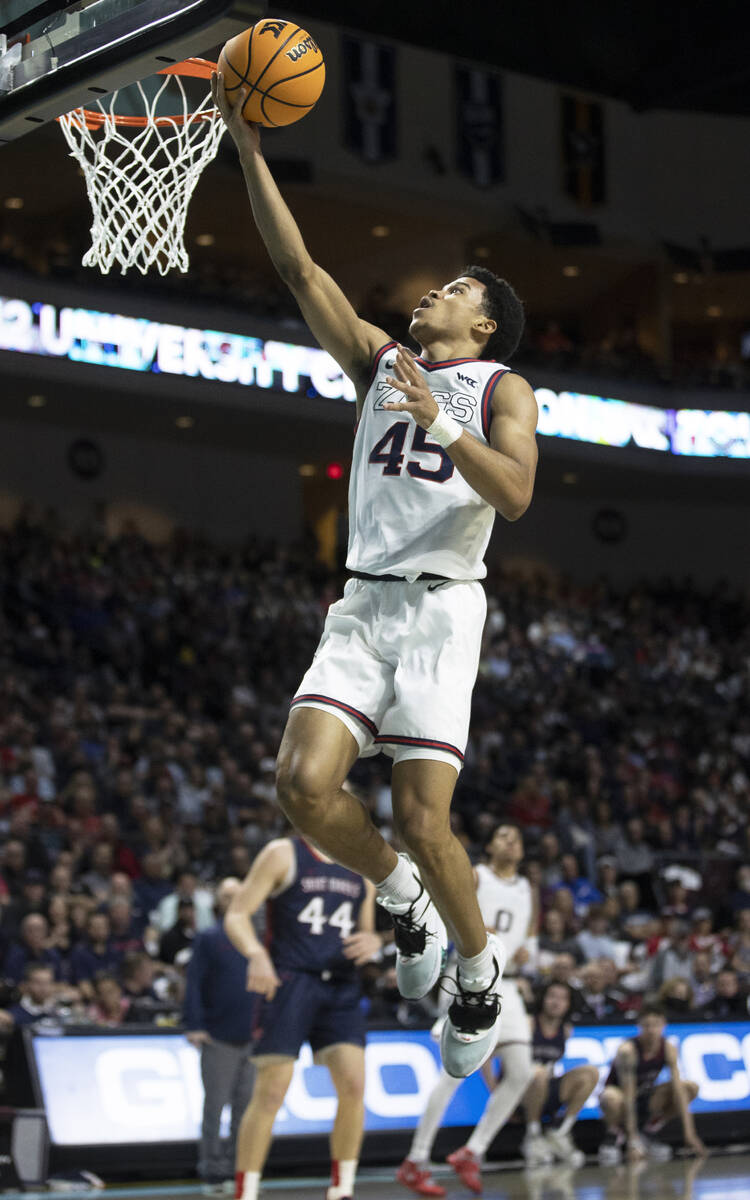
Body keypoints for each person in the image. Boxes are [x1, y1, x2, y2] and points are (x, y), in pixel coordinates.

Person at [212, 67, 538, 1082]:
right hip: (362, 605)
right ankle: (400, 900)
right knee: (300, 787)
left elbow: (517, 497)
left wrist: (444, 421)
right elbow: (304, 272)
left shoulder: (500, 386)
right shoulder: (381, 364)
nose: (434, 294)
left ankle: (477, 975)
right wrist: (251, 150)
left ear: (482, 326)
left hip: (443, 614)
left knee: (425, 815)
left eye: (456, 291)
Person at [224, 835, 381, 1200]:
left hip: (341, 984)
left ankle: (342, 1189)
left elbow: (365, 931)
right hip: (292, 979)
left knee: (355, 1085)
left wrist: (372, 940)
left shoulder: (361, 863)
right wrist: (255, 954)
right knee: (272, 1091)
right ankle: (245, 1192)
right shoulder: (283, 853)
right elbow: (236, 914)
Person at [396, 824, 537, 1197]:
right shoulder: (476, 875)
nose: (511, 842)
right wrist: (470, 927)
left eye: (516, 838)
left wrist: (527, 951)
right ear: (490, 844)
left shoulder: (526, 888)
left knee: (522, 1070)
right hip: (468, 977)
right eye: (504, 836)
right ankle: (417, 1158)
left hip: (506, 981)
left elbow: (530, 935)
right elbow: (443, 905)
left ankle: (472, 1152)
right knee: (453, 1073)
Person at [183, 878, 256, 1195]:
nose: (233, 899)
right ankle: (212, 1170)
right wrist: (194, 1024)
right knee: (215, 1107)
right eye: (227, 896)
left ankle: (239, 1169)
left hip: (254, 1036)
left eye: (238, 894)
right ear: (218, 901)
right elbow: (195, 983)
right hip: (218, 1035)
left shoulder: (258, 938)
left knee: (246, 1109)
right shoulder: (209, 937)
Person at [598, 1005, 705, 1165]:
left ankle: (649, 1131)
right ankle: (617, 1134)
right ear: (639, 1026)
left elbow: (678, 1091)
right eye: (646, 1025)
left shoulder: (668, 1048)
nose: (651, 1030)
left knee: (689, 1088)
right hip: (623, 1098)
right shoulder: (628, 1050)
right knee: (610, 1097)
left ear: (664, 1025)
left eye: (656, 1024)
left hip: (646, 1096)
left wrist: (690, 1134)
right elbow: (629, 1096)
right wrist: (633, 1143)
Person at [521, 981, 599, 1168]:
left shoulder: (565, 1030)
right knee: (538, 1073)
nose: (556, 1002)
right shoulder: (529, 1024)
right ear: (543, 999)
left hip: (544, 1087)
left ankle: (560, 1132)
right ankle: (532, 1136)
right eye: (552, 997)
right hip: (520, 1090)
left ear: (568, 1004)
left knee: (590, 1072)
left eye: (562, 999)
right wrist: (493, 1089)